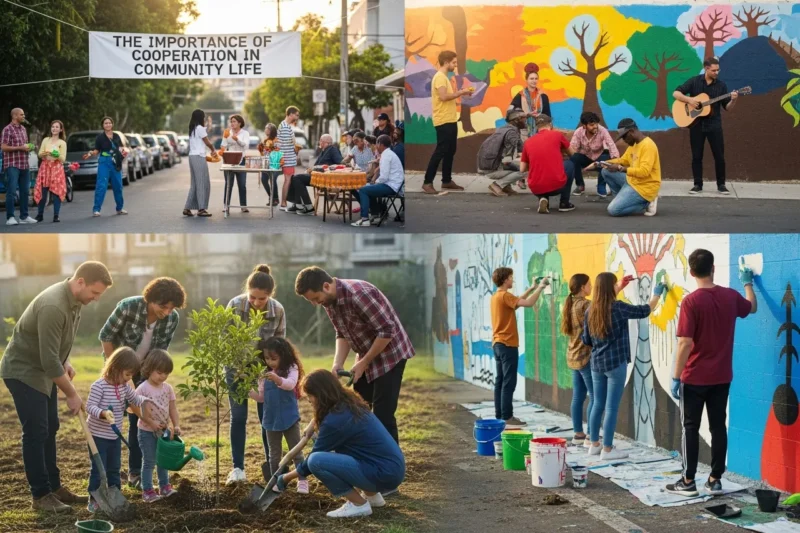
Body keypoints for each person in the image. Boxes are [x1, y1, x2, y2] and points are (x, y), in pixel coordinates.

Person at [1, 261, 113, 513]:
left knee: (51, 427)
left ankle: (53, 486)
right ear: (80, 282)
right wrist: (71, 394)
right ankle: (40, 495)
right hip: (24, 371)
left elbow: (56, 345)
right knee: (36, 432)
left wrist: (66, 359)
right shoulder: (54, 305)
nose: (95, 299)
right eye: (94, 293)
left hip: (43, 370)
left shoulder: (74, 302)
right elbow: (48, 360)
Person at [665, 250, 757, 497]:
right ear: (713, 268)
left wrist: (676, 377)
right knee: (718, 427)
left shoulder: (691, 301)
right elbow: (752, 307)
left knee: (690, 428)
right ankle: (715, 480)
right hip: (722, 377)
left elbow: (685, 343)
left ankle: (688, 481)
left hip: (694, 377)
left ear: (692, 272)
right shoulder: (730, 296)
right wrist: (748, 283)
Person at [295, 267, 415, 447]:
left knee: (383, 415)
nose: (315, 303)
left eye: (315, 298)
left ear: (326, 286)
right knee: (357, 408)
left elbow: (387, 331)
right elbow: (341, 333)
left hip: (390, 355)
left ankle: (390, 464)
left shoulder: (359, 295)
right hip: (366, 354)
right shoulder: (330, 302)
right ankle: (365, 453)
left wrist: (364, 362)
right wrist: (338, 363)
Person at [275, 370, 405, 518]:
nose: (309, 401)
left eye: (310, 396)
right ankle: (373, 496)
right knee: (346, 451)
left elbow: (313, 461)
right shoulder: (349, 403)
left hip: (383, 473)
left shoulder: (335, 420)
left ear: (321, 395)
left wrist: (285, 478)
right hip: (392, 468)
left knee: (316, 461)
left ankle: (358, 504)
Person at [98, 277, 186, 490]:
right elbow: (106, 335)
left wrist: (151, 379)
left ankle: (135, 473)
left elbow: (160, 350)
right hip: (118, 370)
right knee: (117, 418)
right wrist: (116, 370)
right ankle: (111, 473)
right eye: (162, 306)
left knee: (140, 418)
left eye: (171, 308)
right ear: (150, 298)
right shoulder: (129, 307)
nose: (166, 312)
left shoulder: (171, 318)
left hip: (146, 371)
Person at [582, 273, 664, 460]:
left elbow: (586, 340)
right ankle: (608, 450)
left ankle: (594, 444)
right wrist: (657, 294)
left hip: (596, 364)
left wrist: (619, 286)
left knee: (597, 404)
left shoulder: (590, 310)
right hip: (615, 365)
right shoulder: (618, 308)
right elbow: (644, 310)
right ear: (611, 287)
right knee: (611, 408)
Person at [225, 264, 287, 485]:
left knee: (266, 419)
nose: (257, 302)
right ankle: (238, 469)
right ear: (247, 290)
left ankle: (273, 467)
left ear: (270, 295)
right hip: (236, 369)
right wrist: (238, 371)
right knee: (239, 417)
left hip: (265, 371)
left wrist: (271, 374)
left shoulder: (277, 310)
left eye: (262, 299)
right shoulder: (235, 305)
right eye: (253, 297)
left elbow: (280, 347)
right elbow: (227, 343)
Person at [85, 347, 153, 513]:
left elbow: (135, 398)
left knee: (114, 468)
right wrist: (102, 413)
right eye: (127, 374)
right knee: (99, 470)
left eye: (131, 375)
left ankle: (115, 496)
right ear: (115, 368)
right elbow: (89, 407)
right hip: (97, 436)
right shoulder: (99, 386)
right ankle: (94, 499)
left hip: (114, 437)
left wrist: (148, 400)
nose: (129, 379)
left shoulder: (123, 387)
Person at [248, 337, 309, 494]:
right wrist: (249, 392)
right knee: (274, 454)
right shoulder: (264, 375)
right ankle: (276, 481)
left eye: (274, 359)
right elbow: (262, 398)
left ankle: (302, 480)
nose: (270, 362)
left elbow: (290, 384)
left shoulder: (291, 369)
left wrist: (277, 379)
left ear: (284, 355)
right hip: (271, 419)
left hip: (289, 418)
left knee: (296, 451)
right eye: (267, 359)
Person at [490, 268, 550, 427]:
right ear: (505, 280)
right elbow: (528, 303)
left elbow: (516, 303)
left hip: (497, 344)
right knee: (509, 382)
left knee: (500, 380)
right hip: (507, 344)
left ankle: (500, 415)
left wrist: (531, 288)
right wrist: (541, 287)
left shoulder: (497, 296)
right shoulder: (505, 295)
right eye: (511, 278)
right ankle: (507, 417)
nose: (512, 280)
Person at [672, 57, 738, 195]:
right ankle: (697, 185)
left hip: (714, 125)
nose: (716, 73)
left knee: (719, 156)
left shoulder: (721, 86)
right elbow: (676, 93)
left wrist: (733, 100)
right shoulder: (694, 81)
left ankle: (721, 185)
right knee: (697, 156)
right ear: (706, 68)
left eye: (718, 70)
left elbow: (728, 107)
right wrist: (690, 99)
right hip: (696, 125)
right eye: (714, 70)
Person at [587, 119, 661, 217]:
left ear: (631, 132)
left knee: (613, 210)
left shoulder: (648, 146)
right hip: (632, 182)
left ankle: (646, 202)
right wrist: (602, 163)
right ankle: (623, 199)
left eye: (624, 137)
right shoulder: (634, 144)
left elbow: (644, 172)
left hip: (644, 187)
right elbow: (623, 160)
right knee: (605, 171)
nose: (624, 140)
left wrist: (620, 168)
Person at [135, 349, 181, 503]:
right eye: (159, 372)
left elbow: (173, 408)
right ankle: (147, 491)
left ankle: (164, 486)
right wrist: (151, 423)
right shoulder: (142, 389)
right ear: (149, 369)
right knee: (149, 461)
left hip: (163, 431)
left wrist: (176, 425)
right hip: (146, 431)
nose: (163, 376)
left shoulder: (167, 388)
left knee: (163, 460)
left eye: (166, 373)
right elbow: (136, 409)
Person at [422, 50, 470, 194]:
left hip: (450, 119)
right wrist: (461, 93)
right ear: (447, 62)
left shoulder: (444, 77)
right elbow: (443, 97)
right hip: (443, 121)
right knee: (441, 151)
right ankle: (427, 182)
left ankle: (446, 181)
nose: (455, 65)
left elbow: (446, 98)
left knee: (450, 150)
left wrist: (460, 94)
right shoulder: (440, 78)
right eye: (454, 62)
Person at [520, 114, 577, 214]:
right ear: (550, 124)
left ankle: (543, 198)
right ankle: (564, 203)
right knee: (570, 164)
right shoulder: (557, 135)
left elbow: (522, 169)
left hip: (536, 188)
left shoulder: (528, 142)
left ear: (537, 127)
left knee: (539, 171)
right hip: (557, 186)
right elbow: (573, 154)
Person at [561, 274, 593, 446]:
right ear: (582, 287)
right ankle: (591, 436)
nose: (592, 287)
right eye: (589, 284)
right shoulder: (585, 305)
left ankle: (578, 434)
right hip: (585, 357)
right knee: (595, 397)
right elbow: (603, 309)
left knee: (578, 397)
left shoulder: (570, 304)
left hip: (573, 357)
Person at [351, 135, 404, 227]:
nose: (376, 146)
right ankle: (375, 216)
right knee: (367, 188)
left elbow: (384, 177)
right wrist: (373, 184)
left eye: (377, 144)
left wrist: (374, 183)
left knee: (364, 190)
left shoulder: (386, 156)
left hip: (391, 186)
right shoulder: (388, 154)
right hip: (392, 184)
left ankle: (365, 219)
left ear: (381, 144)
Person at [284, 134, 343, 215]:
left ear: (326, 142)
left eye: (321, 141)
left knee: (297, 178)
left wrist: (323, 168)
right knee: (293, 177)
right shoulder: (323, 150)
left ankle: (308, 207)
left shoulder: (333, 150)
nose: (320, 142)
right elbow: (316, 165)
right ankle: (298, 205)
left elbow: (340, 164)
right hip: (316, 175)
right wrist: (310, 169)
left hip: (324, 177)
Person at [83, 116, 128, 217]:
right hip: (104, 162)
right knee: (101, 186)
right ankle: (96, 209)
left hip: (115, 162)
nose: (108, 125)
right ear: (103, 125)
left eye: (109, 123)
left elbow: (120, 148)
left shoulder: (116, 136)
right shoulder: (100, 137)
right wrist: (90, 153)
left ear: (112, 124)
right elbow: (97, 150)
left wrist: (123, 153)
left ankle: (119, 208)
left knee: (118, 186)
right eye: (105, 123)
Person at [569, 111, 619, 196]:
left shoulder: (602, 130)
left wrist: (616, 160)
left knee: (607, 158)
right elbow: (573, 148)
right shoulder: (578, 132)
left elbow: (611, 145)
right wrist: (574, 159)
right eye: (591, 125)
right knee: (574, 158)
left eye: (596, 124)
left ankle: (601, 187)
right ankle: (580, 185)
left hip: (599, 157)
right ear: (584, 126)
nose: (595, 127)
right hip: (585, 157)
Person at [2, 108, 38, 225]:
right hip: (12, 164)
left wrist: (29, 147)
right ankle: (10, 217)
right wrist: (20, 148)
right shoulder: (7, 129)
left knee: (25, 191)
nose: (23, 116)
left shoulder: (23, 129)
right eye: (21, 114)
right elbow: (4, 147)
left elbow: (24, 146)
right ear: (15, 116)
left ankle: (24, 216)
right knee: (11, 191)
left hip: (24, 164)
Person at [479, 108, 526, 198]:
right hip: (492, 168)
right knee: (525, 169)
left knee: (515, 166)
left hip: (489, 164)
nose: (525, 121)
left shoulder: (505, 128)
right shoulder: (511, 133)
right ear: (516, 120)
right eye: (523, 119)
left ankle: (506, 187)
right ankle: (497, 185)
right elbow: (521, 150)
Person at [184, 109, 217, 217]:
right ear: (200, 118)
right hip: (198, 157)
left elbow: (205, 133)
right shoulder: (199, 128)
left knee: (195, 183)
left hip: (192, 156)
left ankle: (187, 208)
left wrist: (209, 123)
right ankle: (201, 209)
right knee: (203, 182)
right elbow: (207, 141)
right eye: (203, 117)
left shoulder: (193, 128)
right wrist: (213, 149)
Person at [35, 120, 68, 223]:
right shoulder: (46, 140)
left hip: (57, 168)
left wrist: (56, 155)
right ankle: (40, 215)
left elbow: (63, 159)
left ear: (61, 129)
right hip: (45, 167)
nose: (54, 129)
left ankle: (56, 216)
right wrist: (45, 153)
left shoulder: (62, 143)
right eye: (53, 127)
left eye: (57, 127)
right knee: (43, 191)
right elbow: (40, 154)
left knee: (56, 192)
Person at [509, 63, 552, 141]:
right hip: (524, 134)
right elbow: (510, 114)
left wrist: (540, 116)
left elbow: (548, 117)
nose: (534, 81)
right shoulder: (520, 96)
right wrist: (526, 115)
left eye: (536, 78)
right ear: (527, 80)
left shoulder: (543, 96)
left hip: (540, 133)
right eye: (531, 79)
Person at [221, 114, 250, 213]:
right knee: (229, 184)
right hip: (229, 161)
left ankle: (243, 206)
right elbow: (223, 145)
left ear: (239, 123)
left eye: (234, 121)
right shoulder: (227, 132)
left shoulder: (245, 133)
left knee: (242, 184)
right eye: (231, 121)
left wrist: (236, 139)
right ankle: (226, 206)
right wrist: (223, 144)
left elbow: (245, 147)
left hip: (241, 160)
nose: (232, 123)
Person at [277, 106, 300, 208]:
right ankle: (283, 202)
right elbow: (285, 144)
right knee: (288, 180)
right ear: (291, 114)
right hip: (287, 158)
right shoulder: (285, 127)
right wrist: (295, 149)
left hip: (286, 158)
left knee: (288, 180)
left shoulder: (285, 125)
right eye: (296, 114)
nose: (297, 117)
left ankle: (285, 201)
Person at [259, 123, 280, 205]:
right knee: (264, 180)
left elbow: (278, 152)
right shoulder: (264, 140)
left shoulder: (276, 140)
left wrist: (271, 148)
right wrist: (260, 149)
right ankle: (271, 197)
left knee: (273, 180)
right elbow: (263, 153)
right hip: (265, 163)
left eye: (267, 128)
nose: (265, 130)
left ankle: (275, 199)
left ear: (272, 131)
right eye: (265, 128)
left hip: (274, 164)